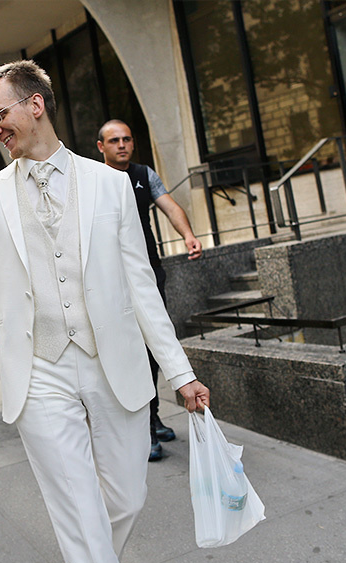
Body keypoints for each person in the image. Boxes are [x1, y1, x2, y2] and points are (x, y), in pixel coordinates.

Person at [0, 60, 209, 563]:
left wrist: (180, 373)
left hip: (115, 364)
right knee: (74, 506)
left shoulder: (110, 185)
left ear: (34, 104)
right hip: (38, 370)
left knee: (125, 499)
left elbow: (141, 288)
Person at [97, 119, 203, 461]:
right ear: (101, 147)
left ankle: (152, 415)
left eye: (127, 139)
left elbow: (170, 207)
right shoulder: (93, 181)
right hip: (110, 278)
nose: (122, 145)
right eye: (114, 141)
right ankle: (140, 425)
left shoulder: (144, 175)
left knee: (154, 344)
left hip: (148, 272)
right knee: (129, 349)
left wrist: (188, 235)